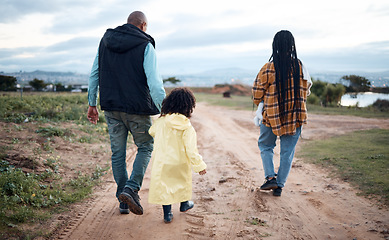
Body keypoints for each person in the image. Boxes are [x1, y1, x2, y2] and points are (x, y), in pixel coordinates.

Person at [87, 11, 166, 215]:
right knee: (146, 146)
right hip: (137, 108)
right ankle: (131, 189)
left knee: (118, 153)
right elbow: (155, 83)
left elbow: (95, 72)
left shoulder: (105, 41)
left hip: (111, 107)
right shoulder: (145, 44)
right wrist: (164, 110)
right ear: (143, 25)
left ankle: (123, 199)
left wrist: (91, 103)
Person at [252, 30, 312, 197]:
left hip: (270, 117)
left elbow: (257, 94)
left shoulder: (268, 68)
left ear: (275, 46)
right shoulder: (300, 66)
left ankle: (270, 177)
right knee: (287, 152)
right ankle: (279, 186)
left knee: (265, 146)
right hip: (295, 117)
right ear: (292, 46)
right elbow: (306, 90)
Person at [148, 88, 207, 223]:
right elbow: (191, 149)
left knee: (165, 186)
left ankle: (167, 214)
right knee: (182, 183)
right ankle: (184, 204)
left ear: (169, 103)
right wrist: (199, 166)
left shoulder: (161, 122)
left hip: (162, 161)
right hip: (180, 162)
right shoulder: (187, 126)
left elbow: (151, 131)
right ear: (188, 106)